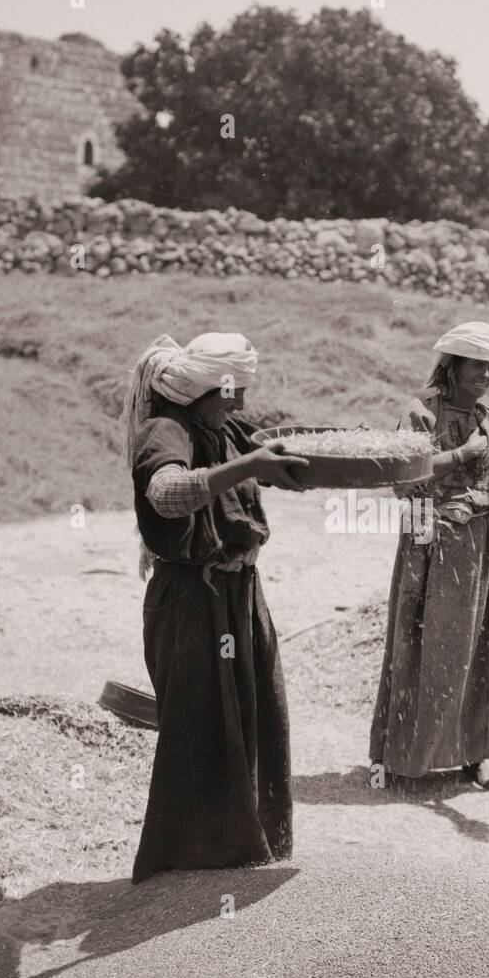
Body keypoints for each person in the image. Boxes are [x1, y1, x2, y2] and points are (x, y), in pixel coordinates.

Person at [124, 331, 309, 883]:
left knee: (256, 715)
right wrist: (248, 466)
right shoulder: (165, 430)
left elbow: (272, 453)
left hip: (240, 592)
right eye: (231, 392)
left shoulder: (220, 426)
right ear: (202, 387)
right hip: (190, 599)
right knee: (198, 722)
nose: (241, 406)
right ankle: (186, 860)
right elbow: (168, 493)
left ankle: (242, 845)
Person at [369, 321, 489, 786]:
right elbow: (403, 476)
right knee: (427, 647)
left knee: (482, 649)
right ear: (452, 365)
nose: (486, 374)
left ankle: (473, 757)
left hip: (484, 549)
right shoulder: (421, 413)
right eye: (477, 365)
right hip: (432, 545)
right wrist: (462, 454)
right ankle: (405, 759)